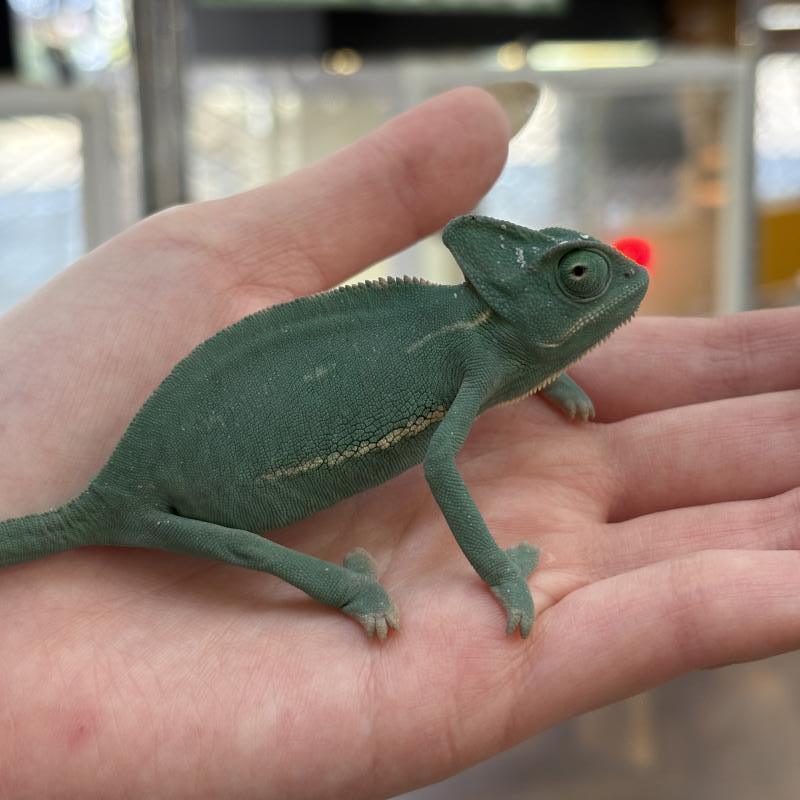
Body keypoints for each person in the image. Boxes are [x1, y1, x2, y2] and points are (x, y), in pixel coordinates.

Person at [0, 84, 797, 799]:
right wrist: (499, 571)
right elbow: (442, 465)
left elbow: (515, 360)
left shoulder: (490, 341)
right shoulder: (477, 345)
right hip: (189, 491)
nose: (608, 283)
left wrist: (551, 374)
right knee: (238, 547)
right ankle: (345, 590)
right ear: (517, 305)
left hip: (190, 455)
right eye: (577, 279)